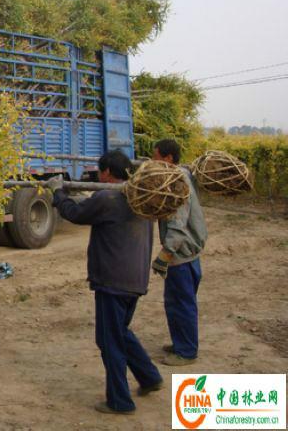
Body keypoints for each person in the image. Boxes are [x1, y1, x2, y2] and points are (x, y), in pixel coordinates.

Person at [45, 150, 162, 415]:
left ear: (107, 172)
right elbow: (88, 206)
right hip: (135, 280)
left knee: (109, 340)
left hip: (113, 282)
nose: (99, 175)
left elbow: (75, 213)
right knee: (120, 332)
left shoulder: (108, 196)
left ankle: (120, 401)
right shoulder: (138, 197)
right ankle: (150, 377)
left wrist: (57, 192)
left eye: (100, 171)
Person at [151, 138, 207, 366]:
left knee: (181, 302)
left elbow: (177, 221)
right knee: (176, 301)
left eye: (156, 156)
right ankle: (180, 342)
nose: (153, 161)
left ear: (168, 159)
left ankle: (186, 352)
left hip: (181, 254)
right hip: (189, 254)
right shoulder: (182, 174)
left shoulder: (177, 182)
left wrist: (165, 253)